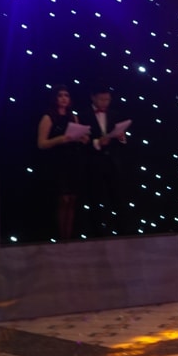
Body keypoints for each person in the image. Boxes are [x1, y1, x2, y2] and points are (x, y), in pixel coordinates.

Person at [36, 85, 89, 240]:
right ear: (55, 98)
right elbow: (41, 143)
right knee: (63, 199)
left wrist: (83, 138)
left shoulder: (73, 117)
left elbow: (78, 136)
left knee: (72, 199)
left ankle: (69, 236)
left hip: (73, 161)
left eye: (66, 95)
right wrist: (60, 139)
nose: (64, 98)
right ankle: (60, 238)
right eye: (60, 95)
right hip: (57, 162)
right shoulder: (48, 117)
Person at [77, 87, 129, 235]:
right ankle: (97, 232)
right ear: (93, 98)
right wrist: (97, 142)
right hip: (93, 163)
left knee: (118, 197)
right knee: (95, 198)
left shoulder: (114, 114)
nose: (105, 102)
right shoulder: (83, 115)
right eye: (102, 99)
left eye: (108, 99)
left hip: (112, 162)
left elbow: (121, 139)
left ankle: (123, 230)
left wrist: (121, 137)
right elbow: (80, 140)